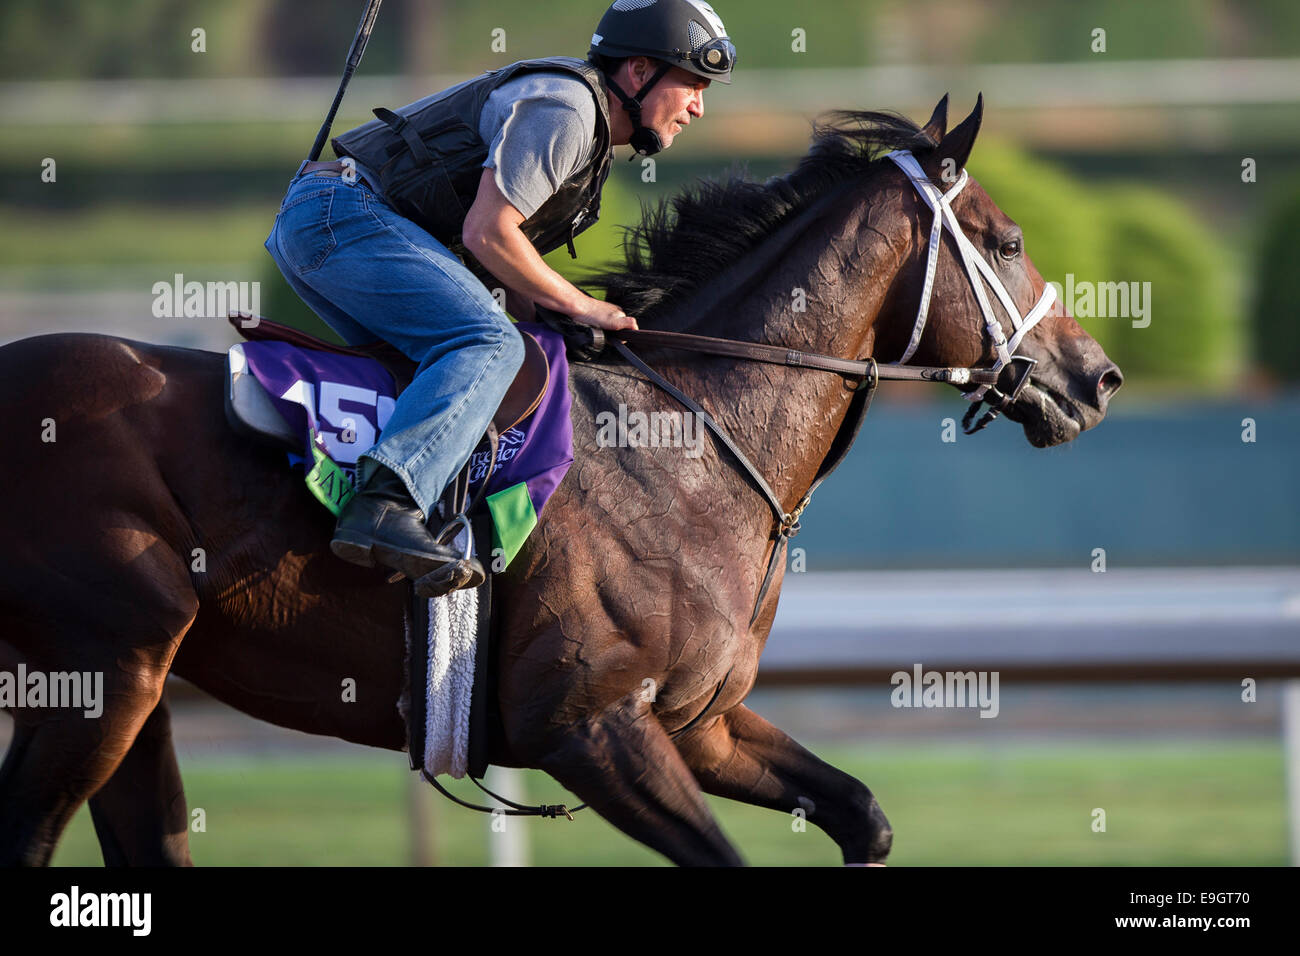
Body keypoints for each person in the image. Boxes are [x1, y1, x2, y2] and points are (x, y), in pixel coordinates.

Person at [263, 0, 736, 594]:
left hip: (332, 220)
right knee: (488, 343)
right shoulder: (567, 112)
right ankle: (384, 507)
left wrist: (560, 321)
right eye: (693, 82)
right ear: (639, 73)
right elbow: (487, 234)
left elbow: (497, 267)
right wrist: (583, 304)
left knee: (480, 364)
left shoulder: (583, 129)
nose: (698, 106)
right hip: (341, 217)